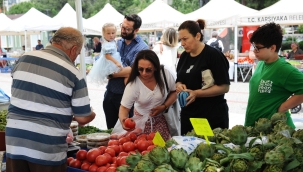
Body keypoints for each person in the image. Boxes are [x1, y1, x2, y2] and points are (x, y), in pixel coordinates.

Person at [5, 27, 96, 172]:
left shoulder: (24, 58)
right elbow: (83, 118)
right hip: (46, 147)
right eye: (78, 53)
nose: (76, 57)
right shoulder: (73, 73)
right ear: (73, 49)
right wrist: (92, 113)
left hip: (15, 141)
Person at [176, 19, 230, 135]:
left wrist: (196, 93)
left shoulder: (214, 55)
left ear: (197, 36)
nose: (182, 43)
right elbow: (178, 80)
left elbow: (224, 87)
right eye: (180, 40)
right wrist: (179, 86)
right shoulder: (184, 56)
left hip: (211, 116)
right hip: (188, 116)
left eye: (185, 39)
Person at [244, 23, 303, 128]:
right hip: (255, 128)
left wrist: (284, 107)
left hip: (274, 132)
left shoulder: (284, 69)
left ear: (272, 48)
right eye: (254, 46)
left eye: (258, 48)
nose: (254, 51)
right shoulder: (262, 63)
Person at [118, 50, 177, 141]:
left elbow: (174, 92)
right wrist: (124, 121)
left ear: (156, 68)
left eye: (148, 70)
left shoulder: (164, 74)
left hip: (162, 122)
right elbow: (124, 108)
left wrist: (164, 106)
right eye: (140, 69)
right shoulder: (134, 84)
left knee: (162, 150)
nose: (144, 73)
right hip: (140, 125)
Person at [103, 14, 149, 129]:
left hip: (127, 97)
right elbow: (105, 60)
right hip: (110, 93)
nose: (123, 31)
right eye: (122, 27)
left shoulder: (142, 48)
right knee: (111, 131)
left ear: (136, 30)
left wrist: (110, 74)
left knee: (126, 132)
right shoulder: (117, 43)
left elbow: (133, 70)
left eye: (127, 29)